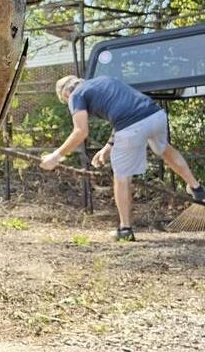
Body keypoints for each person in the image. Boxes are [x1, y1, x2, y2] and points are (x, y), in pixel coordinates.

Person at [42, 75, 205, 241]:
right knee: (163, 149)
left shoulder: (76, 96)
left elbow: (80, 131)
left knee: (122, 177)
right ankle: (197, 189)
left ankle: (125, 229)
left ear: (66, 95)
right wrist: (108, 147)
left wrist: (56, 156)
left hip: (131, 127)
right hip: (155, 115)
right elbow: (124, 110)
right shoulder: (104, 80)